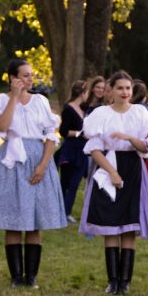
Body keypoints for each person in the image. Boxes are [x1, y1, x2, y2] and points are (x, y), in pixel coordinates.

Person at [0, 58, 67, 288]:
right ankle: (16, 277)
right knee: (13, 219)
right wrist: (13, 97)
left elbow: (51, 134)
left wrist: (43, 164)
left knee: (34, 220)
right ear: (13, 78)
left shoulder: (40, 101)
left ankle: (31, 276)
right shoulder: (1, 100)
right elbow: (3, 126)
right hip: (12, 159)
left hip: (37, 157)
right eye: (25, 75)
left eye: (31, 75)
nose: (31, 79)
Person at [80, 71, 148, 295]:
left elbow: (146, 147)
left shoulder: (140, 112)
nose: (124, 92)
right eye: (120, 88)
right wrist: (111, 172)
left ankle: (125, 281)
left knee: (129, 226)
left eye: (128, 88)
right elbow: (93, 147)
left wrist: (130, 138)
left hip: (132, 167)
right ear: (110, 90)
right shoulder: (100, 113)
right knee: (111, 224)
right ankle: (112, 281)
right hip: (107, 166)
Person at [54, 80, 89, 224]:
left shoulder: (84, 109)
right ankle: (61, 211)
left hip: (82, 150)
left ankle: (67, 211)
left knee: (75, 183)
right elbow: (63, 131)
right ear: (82, 93)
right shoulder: (68, 109)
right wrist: (79, 134)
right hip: (70, 149)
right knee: (65, 182)